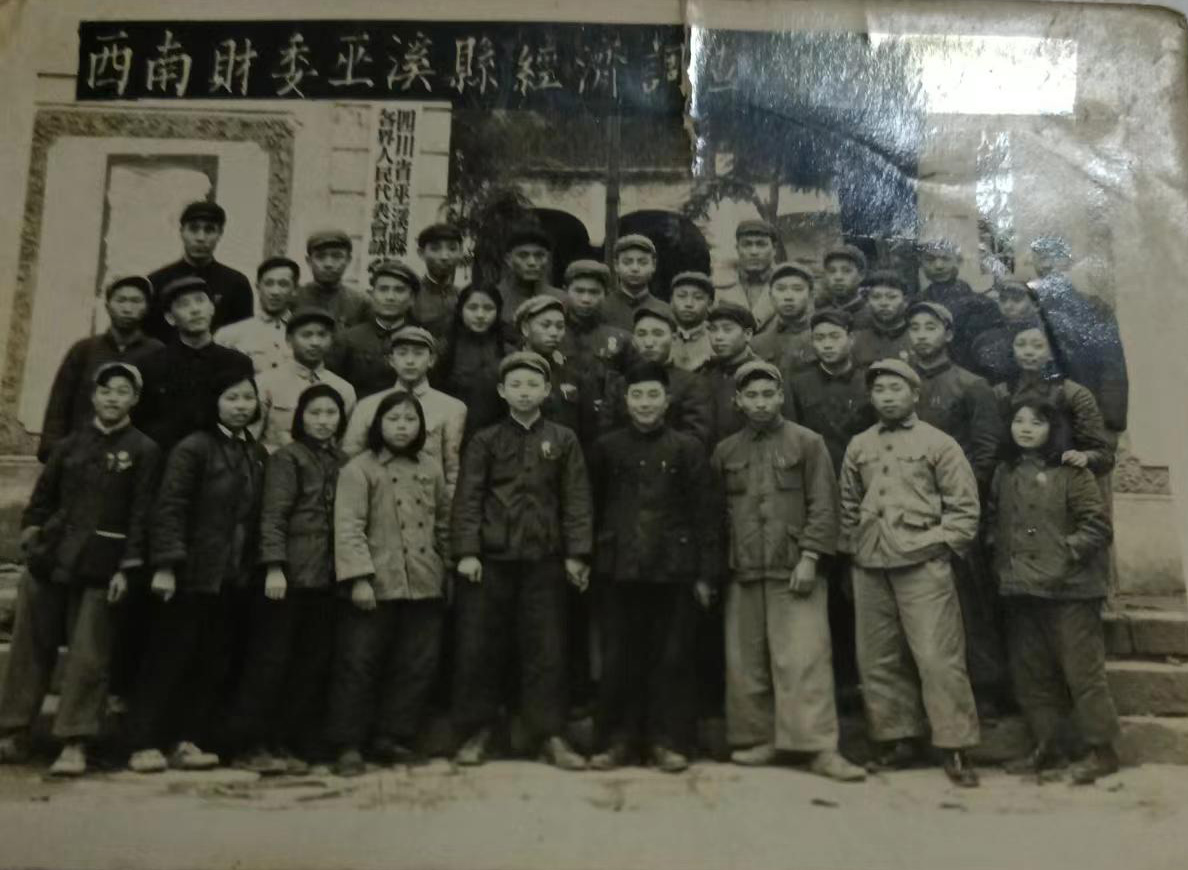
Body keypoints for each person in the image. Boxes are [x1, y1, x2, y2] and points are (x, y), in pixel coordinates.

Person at [0, 363, 158, 776]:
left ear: (134, 399)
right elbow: (41, 501)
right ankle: (15, 730)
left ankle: (75, 739)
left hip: (103, 565)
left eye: (122, 391)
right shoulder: (69, 445)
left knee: (90, 654)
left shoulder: (143, 450)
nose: (112, 398)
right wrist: (34, 538)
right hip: (52, 560)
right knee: (29, 647)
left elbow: (143, 516)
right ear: (93, 396)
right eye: (106, 390)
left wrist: (128, 567)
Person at [712, 360, 866, 781]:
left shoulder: (808, 443)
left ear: (780, 396)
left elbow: (824, 505)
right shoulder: (726, 451)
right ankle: (760, 739)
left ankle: (818, 747)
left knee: (804, 659)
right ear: (738, 401)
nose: (760, 403)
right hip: (743, 570)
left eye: (768, 394)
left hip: (795, 570)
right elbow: (716, 515)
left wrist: (811, 557)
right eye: (751, 396)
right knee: (746, 662)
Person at [838, 358, 982, 787]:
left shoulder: (940, 444)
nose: (887, 397)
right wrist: (854, 550)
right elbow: (848, 505)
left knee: (938, 656)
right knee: (878, 657)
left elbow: (964, 512)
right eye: (879, 390)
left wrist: (935, 546)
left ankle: (955, 745)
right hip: (870, 563)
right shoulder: (859, 445)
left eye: (896, 389)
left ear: (915, 395)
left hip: (923, 563)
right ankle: (897, 739)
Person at [450, 351, 593, 771]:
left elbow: (576, 500)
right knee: (481, 646)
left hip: (544, 560)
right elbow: (468, 498)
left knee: (546, 647)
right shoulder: (485, 440)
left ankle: (548, 733)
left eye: (533, 385)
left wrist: (577, 554)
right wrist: (467, 552)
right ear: (501, 391)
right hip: (491, 561)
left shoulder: (564, 439)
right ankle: (479, 731)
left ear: (546, 390)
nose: (524, 392)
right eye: (515, 385)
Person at [126, 371, 267, 773]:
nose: (241, 406)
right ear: (214, 403)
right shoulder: (193, 448)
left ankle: (187, 740)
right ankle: (143, 742)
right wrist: (166, 565)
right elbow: (170, 507)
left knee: (211, 662)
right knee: (168, 657)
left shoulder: (256, 453)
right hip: (189, 574)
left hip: (230, 577)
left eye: (248, 398)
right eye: (232, 398)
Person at [587, 362, 719, 773]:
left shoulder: (687, 448)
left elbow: (706, 514)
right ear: (625, 401)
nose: (645, 403)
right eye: (637, 395)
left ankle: (668, 741)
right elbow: (591, 507)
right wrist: (591, 560)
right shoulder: (606, 448)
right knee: (619, 656)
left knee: (672, 657)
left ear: (668, 401)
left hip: (673, 568)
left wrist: (706, 574)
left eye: (653, 395)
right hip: (619, 567)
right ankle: (618, 740)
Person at [988, 398, 1119, 784]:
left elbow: (1097, 526)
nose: (1026, 428)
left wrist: (1064, 553)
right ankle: (1049, 747)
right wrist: (1001, 554)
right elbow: (992, 520)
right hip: (1021, 588)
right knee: (1032, 673)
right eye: (1019, 421)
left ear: (1054, 428)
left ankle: (1102, 751)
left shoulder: (1072, 471)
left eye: (1037, 422)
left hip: (1071, 590)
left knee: (1082, 672)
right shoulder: (1004, 471)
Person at [224, 384, 348, 775]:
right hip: (288, 577)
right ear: (300, 418)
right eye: (315, 413)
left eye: (331, 413)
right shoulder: (286, 458)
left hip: (325, 577)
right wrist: (274, 566)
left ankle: (287, 740)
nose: (323, 421)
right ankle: (249, 742)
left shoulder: (343, 461)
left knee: (309, 663)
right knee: (270, 660)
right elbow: (273, 515)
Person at [328, 391, 451, 776]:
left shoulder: (430, 468)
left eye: (410, 420)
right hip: (376, 582)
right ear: (378, 424)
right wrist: (359, 579)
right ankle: (348, 743)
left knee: (415, 663)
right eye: (393, 419)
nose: (402, 427)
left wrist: (446, 571)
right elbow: (348, 527)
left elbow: (443, 524)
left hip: (424, 581)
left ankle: (392, 737)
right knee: (359, 663)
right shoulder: (359, 469)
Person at [907, 300, 1008, 713]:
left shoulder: (971, 385)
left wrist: (962, 504)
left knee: (970, 598)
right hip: (911, 509)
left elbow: (985, 453)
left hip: (957, 509)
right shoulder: (900, 384)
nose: (921, 336)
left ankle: (987, 687)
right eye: (915, 328)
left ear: (948, 334)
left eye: (930, 327)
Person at [38, 275, 163, 462]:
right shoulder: (84, 349)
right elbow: (60, 402)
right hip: (81, 452)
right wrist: (52, 450)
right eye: (121, 300)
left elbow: (161, 410)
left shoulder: (157, 352)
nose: (127, 308)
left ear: (147, 307)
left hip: (131, 457)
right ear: (107, 306)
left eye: (136, 301)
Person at [341, 326, 466, 500]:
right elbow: (350, 461)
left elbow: (452, 471)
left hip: (426, 498)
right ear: (391, 360)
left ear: (432, 360)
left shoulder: (452, 408)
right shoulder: (367, 406)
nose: (410, 361)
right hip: (379, 498)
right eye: (402, 353)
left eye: (418, 354)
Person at [133, 276, 255, 453]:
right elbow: (140, 423)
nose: (195, 310)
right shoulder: (150, 365)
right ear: (170, 318)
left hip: (221, 459)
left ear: (212, 308)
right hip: (165, 457)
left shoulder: (237, 363)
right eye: (184, 304)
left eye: (200, 301)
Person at [1026, 236, 1129, 440]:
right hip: (1036, 418)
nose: (1046, 265)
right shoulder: (1026, 309)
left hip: (1085, 414)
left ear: (1067, 261)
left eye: (1054, 257)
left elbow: (1112, 370)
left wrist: (1110, 423)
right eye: (1041, 258)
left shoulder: (1094, 309)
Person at [994, 325, 1115, 483]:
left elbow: (1103, 454)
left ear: (1052, 353)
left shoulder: (1073, 394)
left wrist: (1084, 457)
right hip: (1014, 482)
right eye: (1020, 344)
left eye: (1038, 346)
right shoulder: (1001, 393)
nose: (1028, 351)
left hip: (1062, 482)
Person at [145, 201, 254, 342]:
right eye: (193, 229)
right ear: (182, 232)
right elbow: (149, 337)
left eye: (209, 230)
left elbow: (243, 335)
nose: (200, 238)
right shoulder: (157, 282)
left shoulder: (236, 283)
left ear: (220, 234)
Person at [254, 308, 357, 455]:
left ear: (331, 340)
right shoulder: (266, 383)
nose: (315, 342)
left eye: (322, 335)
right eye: (306, 335)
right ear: (289, 340)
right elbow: (251, 439)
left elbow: (342, 445)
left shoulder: (343, 389)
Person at [786, 310, 876, 474]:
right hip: (816, 471)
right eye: (819, 338)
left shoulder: (869, 380)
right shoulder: (799, 384)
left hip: (865, 468)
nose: (827, 345)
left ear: (851, 339)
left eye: (835, 337)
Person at [615, 308, 713, 447]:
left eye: (658, 334)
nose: (649, 343)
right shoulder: (620, 384)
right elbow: (608, 436)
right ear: (633, 340)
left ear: (674, 338)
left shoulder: (693, 384)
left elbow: (697, 438)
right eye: (641, 334)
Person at [432, 285, 517, 442]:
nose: (480, 315)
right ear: (460, 310)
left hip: (499, 436)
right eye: (472, 308)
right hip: (452, 434)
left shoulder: (509, 351)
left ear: (498, 311)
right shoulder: (444, 349)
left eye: (488, 308)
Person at [327, 259, 420, 400]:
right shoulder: (348, 339)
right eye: (383, 289)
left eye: (399, 290)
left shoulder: (420, 339)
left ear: (412, 298)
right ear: (371, 294)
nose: (390, 297)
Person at [514, 295, 599, 449]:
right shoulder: (509, 371)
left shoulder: (573, 371)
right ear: (525, 328)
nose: (554, 332)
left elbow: (587, 429)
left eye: (560, 326)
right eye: (545, 325)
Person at [917, 238, 1002, 370]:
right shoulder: (916, 303)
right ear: (921, 263)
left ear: (958, 261)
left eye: (946, 259)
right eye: (930, 259)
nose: (938, 265)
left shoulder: (981, 306)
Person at [214, 257, 300, 376]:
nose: (275, 291)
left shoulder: (306, 334)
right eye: (268, 283)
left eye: (283, 284)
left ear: (295, 289)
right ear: (258, 287)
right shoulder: (228, 335)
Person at [697, 301, 760, 446]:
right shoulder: (705, 372)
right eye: (713, 329)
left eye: (727, 329)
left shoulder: (760, 374)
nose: (718, 337)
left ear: (748, 334)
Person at [559, 259, 630, 382]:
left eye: (594, 292)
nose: (586, 299)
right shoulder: (553, 335)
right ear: (565, 291)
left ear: (606, 294)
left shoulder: (621, 339)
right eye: (579, 291)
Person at [294, 230, 370, 329]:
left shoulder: (361, 302)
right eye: (320, 256)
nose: (328, 264)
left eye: (337, 256)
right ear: (309, 261)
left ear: (348, 260)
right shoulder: (294, 299)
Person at [750, 264, 817, 375]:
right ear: (770, 296)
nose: (788, 297)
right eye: (780, 289)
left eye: (797, 289)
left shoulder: (821, 339)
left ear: (811, 296)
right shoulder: (756, 344)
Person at [970, 280, 1039, 386]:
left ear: (1035, 305)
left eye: (1017, 300)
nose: (1008, 306)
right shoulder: (985, 340)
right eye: (1003, 299)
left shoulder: (1047, 338)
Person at [714, 219, 779, 331]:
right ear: (737, 249)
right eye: (747, 245)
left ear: (774, 249)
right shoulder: (718, 286)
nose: (754, 252)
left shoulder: (789, 285)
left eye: (761, 244)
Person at [497, 225, 564, 327]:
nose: (532, 262)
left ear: (548, 259)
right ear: (508, 260)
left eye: (539, 255)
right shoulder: (494, 299)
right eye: (523, 255)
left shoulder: (561, 299)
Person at [603, 235, 672, 331]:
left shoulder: (665, 311)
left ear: (653, 265)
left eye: (642, 262)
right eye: (627, 262)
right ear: (616, 265)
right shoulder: (601, 308)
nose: (635, 268)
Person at [412, 223, 465, 340]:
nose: (444, 256)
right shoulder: (411, 295)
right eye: (435, 249)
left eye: (452, 249)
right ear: (421, 253)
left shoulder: (465, 297)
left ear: (460, 252)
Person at [850, 271, 912, 368]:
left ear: (905, 301)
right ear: (867, 302)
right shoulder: (857, 340)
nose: (883, 303)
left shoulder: (915, 337)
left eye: (892, 297)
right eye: (876, 297)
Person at [669, 271, 715, 372]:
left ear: (710, 304)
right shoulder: (662, 337)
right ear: (671, 302)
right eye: (681, 296)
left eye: (698, 297)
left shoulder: (716, 340)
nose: (689, 304)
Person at [819, 245, 872, 329]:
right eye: (832, 271)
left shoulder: (874, 318)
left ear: (861, 275)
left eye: (847, 271)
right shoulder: (819, 316)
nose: (838, 277)